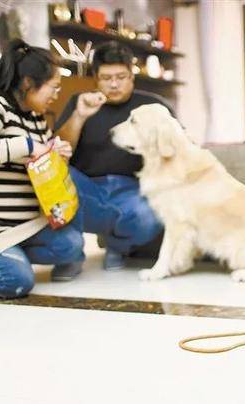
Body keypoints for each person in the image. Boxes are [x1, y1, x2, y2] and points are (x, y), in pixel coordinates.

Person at [0, 39, 83, 298]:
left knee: (72, 245)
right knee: (16, 281)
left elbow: (37, 165)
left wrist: (55, 156)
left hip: (21, 225)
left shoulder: (35, 117)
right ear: (27, 84)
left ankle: (4, 255)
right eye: (53, 87)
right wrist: (29, 145)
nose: (56, 95)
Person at [54, 41, 171, 270]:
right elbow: (58, 153)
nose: (114, 84)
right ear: (95, 79)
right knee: (54, 172)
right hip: (86, 188)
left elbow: (176, 148)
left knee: (151, 217)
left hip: (133, 190)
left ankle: (117, 246)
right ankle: (69, 253)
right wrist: (79, 116)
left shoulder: (152, 106)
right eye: (107, 78)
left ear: (132, 77)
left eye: (121, 77)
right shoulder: (80, 102)